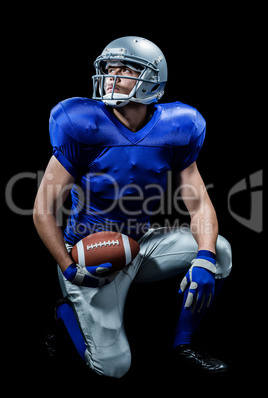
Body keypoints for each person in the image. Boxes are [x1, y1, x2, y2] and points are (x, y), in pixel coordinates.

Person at [34, 36, 232, 378]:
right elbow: (43, 209)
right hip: (89, 253)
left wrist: (204, 258)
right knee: (113, 368)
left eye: (125, 68)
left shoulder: (178, 125)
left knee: (220, 251)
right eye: (109, 67)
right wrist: (68, 266)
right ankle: (66, 313)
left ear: (153, 78)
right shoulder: (82, 123)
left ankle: (183, 343)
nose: (112, 75)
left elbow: (199, 203)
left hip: (142, 241)